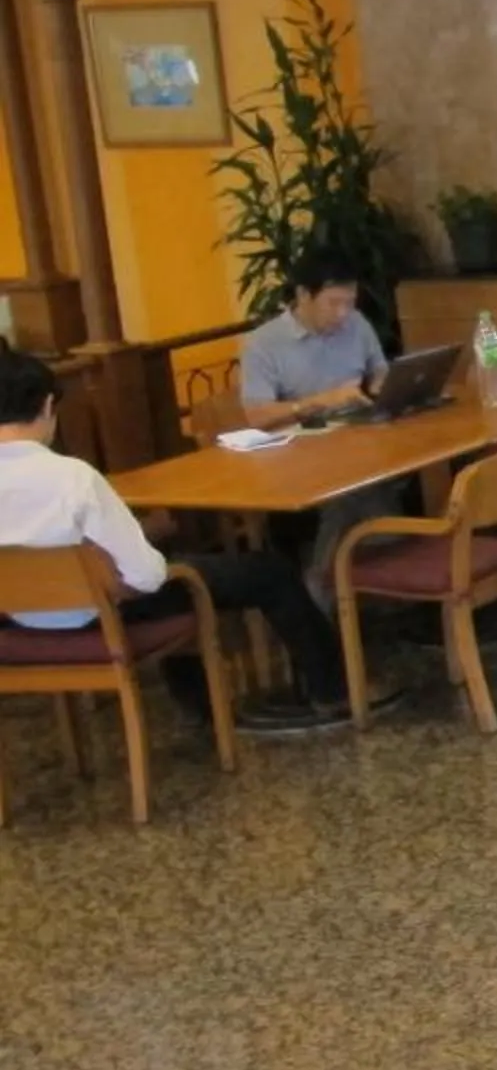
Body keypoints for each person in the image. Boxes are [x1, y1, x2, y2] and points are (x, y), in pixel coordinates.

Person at [0, 347, 390, 732]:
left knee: (170, 568)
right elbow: (146, 577)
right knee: (267, 572)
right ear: (48, 406)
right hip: (100, 616)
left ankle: (201, 709)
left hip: (18, 624)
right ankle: (334, 693)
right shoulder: (75, 478)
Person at [238, 254, 388, 431]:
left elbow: (379, 370)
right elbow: (257, 417)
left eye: (349, 303)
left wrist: (381, 385)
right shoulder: (262, 343)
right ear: (303, 294)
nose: (342, 314)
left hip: (357, 428)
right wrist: (318, 403)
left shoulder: (357, 322)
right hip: (304, 437)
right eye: (333, 303)